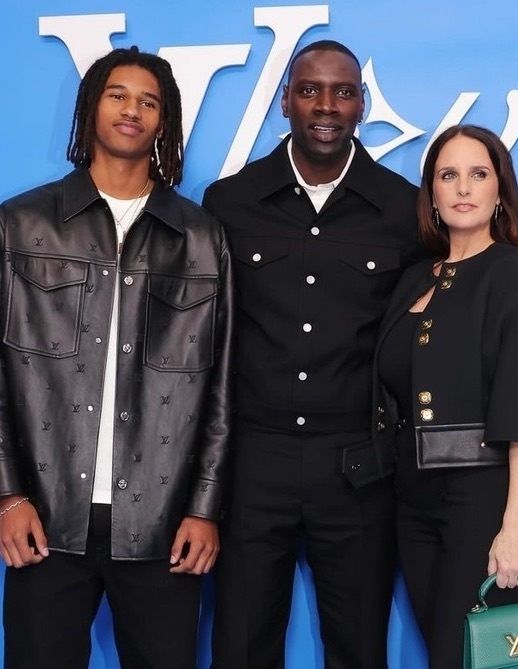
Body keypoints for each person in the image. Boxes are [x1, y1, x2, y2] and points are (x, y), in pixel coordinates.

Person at [0, 47, 233, 668]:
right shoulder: (20, 225)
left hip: (163, 525)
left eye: (149, 102)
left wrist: (203, 508)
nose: (132, 110)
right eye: (118, 95)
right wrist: (7, 496)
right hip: (45, 518)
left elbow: (221, 386)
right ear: (90, 108)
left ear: (164, 121)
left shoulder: (201, 237)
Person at [203, 40, 420, 668]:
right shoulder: (230, 202)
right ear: (285, 102)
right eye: (310, 90)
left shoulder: (403, 208)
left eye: (343, 92)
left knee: (358, 648)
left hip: (358, 467)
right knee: (241, 646)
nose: (326, 105)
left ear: (362, 105)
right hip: (253, 463)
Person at [370, 124, 518, 667]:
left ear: (500, 190)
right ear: (432, 194)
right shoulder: (414, 278)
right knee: (447, 654)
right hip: (412, 500)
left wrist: (515, 528)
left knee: (468, 656)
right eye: (448, 175)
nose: (463, 187)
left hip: (483, 500)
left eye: (478, 174)